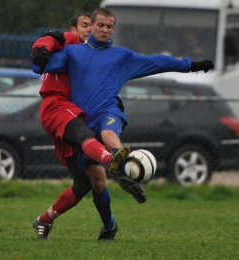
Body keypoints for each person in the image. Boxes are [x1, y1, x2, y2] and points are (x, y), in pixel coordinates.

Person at [32, 7, 214, 239]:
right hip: (82, 119)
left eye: (109, 26)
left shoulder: (122, 56)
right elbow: (40, 65)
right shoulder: (73, 53)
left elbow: (157, 62)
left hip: (108, 111)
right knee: (94, 182)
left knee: (109, 134)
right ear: (93, 26)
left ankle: (121, 161)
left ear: (113, 29)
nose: (104, 30)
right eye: (100, 25)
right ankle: (109, 225)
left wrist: (191, 65)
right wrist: (42, 53)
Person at [32, 12, 144, 242]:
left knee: (90, 183)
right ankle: (118, 164)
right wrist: (43, 46)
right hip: (60, 113)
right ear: (73, 29)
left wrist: (109, 99)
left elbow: (93, 82)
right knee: (90, 147)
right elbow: (48, 43)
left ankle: (48, 220)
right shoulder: (70, 43)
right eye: (86, 25)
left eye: (91, 25)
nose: (90, 29)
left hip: (75, 115)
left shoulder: (85, 53)